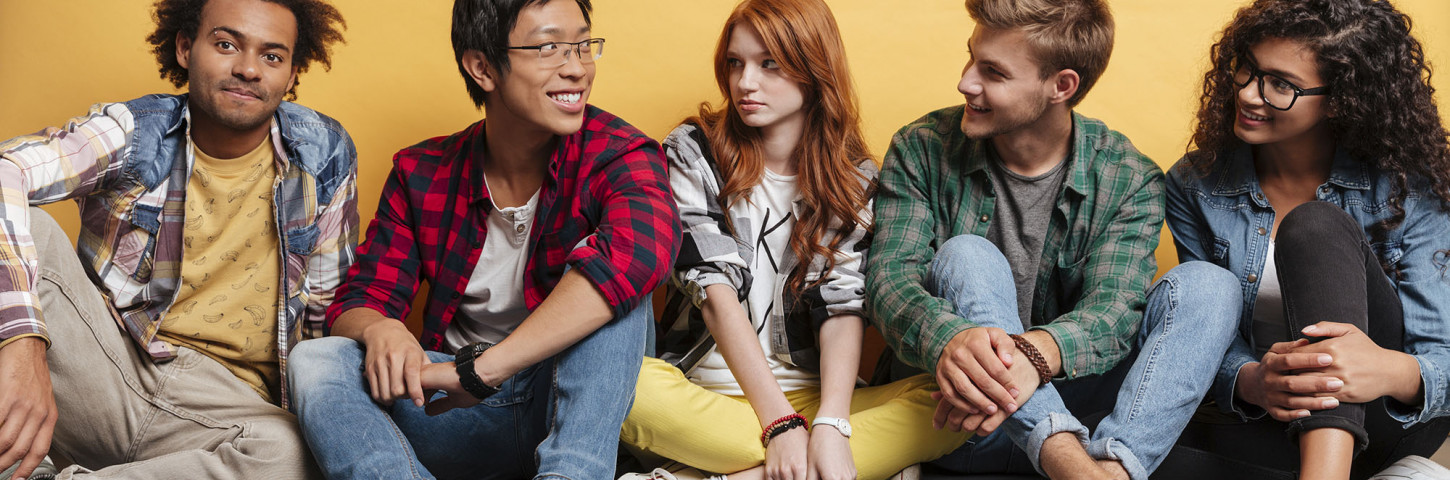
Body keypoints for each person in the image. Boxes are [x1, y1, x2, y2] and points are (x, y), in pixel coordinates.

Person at [285, 0, 680, 478]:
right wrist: (378, 328)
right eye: (550, 47)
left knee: (618, 289)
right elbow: (359, 299)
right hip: (452, 408)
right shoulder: (422, 172)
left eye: (583, 44)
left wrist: (484, 370)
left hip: (570, 407)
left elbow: (641, 254)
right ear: (482, 67)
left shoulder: (620, 153)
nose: (577, 68)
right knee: (315, 360)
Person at [866, 0, 1241, 478]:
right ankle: (1071, 467)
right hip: (954, 419)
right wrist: (951, 339)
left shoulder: (1129, 177)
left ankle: (1115, 470)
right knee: (968, 254)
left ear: (1061, 86)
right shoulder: (922, 147)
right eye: (971, 57)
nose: (965, 81)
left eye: (993, 72)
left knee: (1211, 285)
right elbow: (889, 281)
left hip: (1088, 425)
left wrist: (1032, 356)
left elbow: (1115, 309)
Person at [615, 1, 969, 479]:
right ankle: (839, 468)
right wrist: (780, 426)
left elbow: (842, 304)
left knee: (956, 401)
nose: (745, 83)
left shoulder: (854, 176)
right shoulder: (692, 150)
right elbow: (714, 292)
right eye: (735, 63)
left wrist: (832, 423)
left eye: (769, 64)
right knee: (621, 384)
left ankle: (718, 474)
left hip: (811, 396)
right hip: (704, 394)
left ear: (813, 69)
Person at [0, 0, 352, 478]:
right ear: (186, 47)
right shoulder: (137, 133)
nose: (248, 69)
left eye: (272, 56)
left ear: (292, 73)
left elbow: (324, 312)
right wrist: (21, 341)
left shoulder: (323, 153)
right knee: (23, 227)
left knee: (294, 457)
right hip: (109, 365)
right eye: (226, 44)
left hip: (225, 411)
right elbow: (6, 171)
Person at [1158, 0, 1450, 479]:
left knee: (1314, 226)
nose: (1250, 95)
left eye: (1280, 85)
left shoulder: (1408, 189)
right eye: (1246, 70)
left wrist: (1385, 369)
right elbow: (1207, 331)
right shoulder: (1196, 185)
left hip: (1383, 420)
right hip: (1270, 418)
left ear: (1340, 99)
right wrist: (1252, 381)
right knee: (1107, 454)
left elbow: (1442, 356)